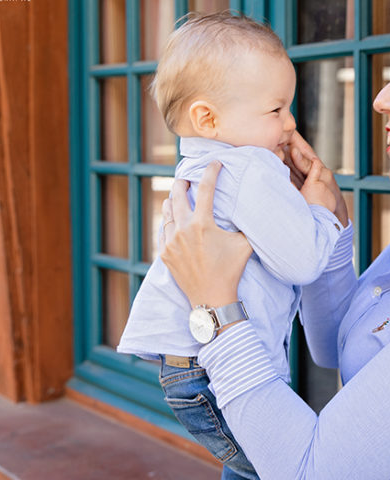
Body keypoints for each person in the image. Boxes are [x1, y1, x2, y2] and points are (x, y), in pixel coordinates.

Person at [159, 0, 390, 478]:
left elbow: (310, 470)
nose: (381, 98)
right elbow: (337, 346)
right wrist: (327, 225)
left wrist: (215, 308)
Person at [116, 12, 343, 480]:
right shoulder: (249, 170)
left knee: (250, 469)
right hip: (221, 366)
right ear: (208, 118)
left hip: (188, 367)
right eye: (276, 110)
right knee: (279, 465)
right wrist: (322, 210)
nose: (290, 122)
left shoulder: (198, 167)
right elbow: (303, 262)